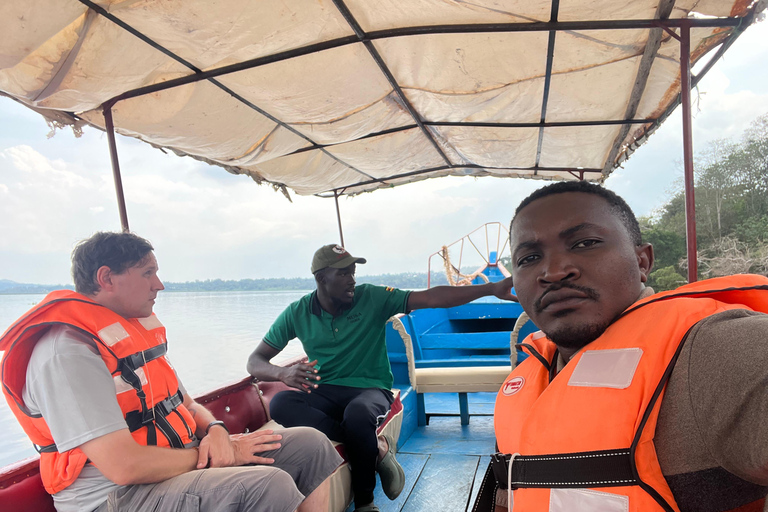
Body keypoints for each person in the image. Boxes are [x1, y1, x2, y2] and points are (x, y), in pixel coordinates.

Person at [0, 232, 343, 512]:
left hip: (175, 460)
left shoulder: (131, 335)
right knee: (267, 484)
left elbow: (188, 405)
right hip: (116, 497)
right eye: (148, 273)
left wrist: (218, 430)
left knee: (310, 445)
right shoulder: (68, 354)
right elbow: (123, 467)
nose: (159, 285)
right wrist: (218, 456)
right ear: (106, 278)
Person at [483, 181, 768, 512]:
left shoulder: (712, 348)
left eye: (585, 243)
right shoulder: (532, 370)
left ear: (643, 261)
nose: (554, 271)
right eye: (529, 257)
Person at [247, 244, 516, 512]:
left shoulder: (372, 297)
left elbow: (432, 298)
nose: (352, 280)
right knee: (281, 403)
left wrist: (490, 289)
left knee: (358, 413)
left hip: (370, 388)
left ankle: (365, 502)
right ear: (321, 279)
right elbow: (255, 361)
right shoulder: (297, 312)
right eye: (343, 274)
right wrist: (282, 373)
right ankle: (376, 449)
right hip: (324, 390)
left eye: (353, 272)